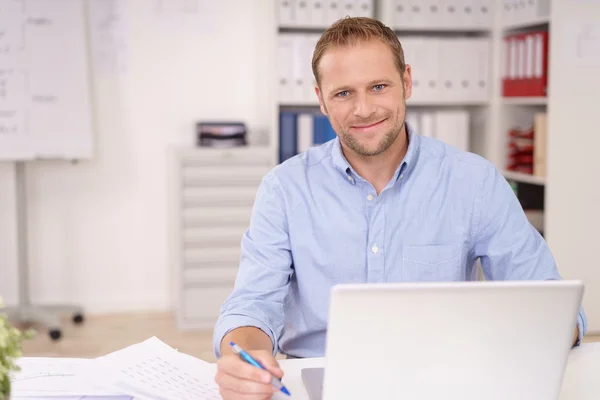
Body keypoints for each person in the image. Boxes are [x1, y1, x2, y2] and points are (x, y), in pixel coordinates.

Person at [212, 17, 587, 399]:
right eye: (343, 93)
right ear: (321, 99)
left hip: (444, 381)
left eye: (378, 86)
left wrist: (553, 327)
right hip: (319, 381)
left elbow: (549, 300)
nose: (363, 109)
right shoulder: (284, 189)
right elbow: (252, 305)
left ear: (406, 81)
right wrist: (244, 359)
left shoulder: (474, 182)